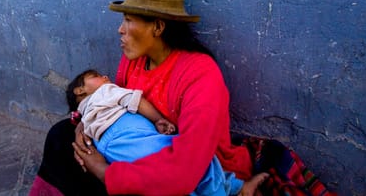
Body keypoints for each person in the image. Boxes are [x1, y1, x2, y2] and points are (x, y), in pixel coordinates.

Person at [30, 0, 336, 196]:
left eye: (129, 20)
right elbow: (116, 104)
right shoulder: (132, 60)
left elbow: (186, 171)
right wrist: (85, 126)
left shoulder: (200, 75)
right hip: (140, 154)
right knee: (62, 136)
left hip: (197, 172)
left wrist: (106, 173)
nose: (120, 31)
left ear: (158, 27)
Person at [64, 68, 266, 196]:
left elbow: (80, 125)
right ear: (79, 91)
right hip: (132, 138)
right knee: (196, 158)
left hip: (111, 152)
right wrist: (158, 119)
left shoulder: (84, 115)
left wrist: (80, 128)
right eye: (96, 76)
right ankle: (234, 188)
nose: (105, 76)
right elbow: (135, 101)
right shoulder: (107, 91)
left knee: (162, 186)